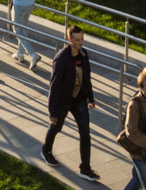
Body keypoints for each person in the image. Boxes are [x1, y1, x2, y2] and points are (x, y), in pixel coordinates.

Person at [41, 23, 99, 180]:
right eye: (77, 40)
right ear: (69, 40)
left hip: (79, 99)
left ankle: (85, 168)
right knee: (56, 126)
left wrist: (91, 98)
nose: (81, 43)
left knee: (85, 132)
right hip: (63, 100)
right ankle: (46, 150)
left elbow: (87, 78)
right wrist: (52, 111)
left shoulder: (84, 55)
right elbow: (54, 86)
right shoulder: (61, 59)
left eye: (82, 39)